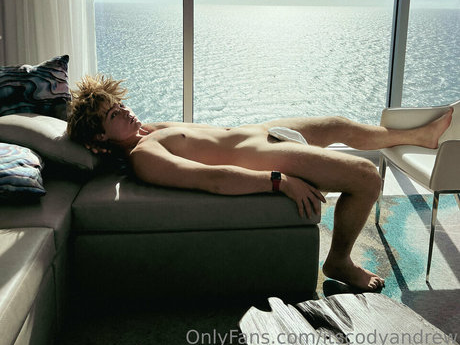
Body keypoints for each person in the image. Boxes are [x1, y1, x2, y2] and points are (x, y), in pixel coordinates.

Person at [67, 74, 453, 292]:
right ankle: (339, 261)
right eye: (113, 115)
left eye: (120, 104)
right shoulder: (144, 156)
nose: (124, 111)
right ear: (100, 138)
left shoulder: (149, 129)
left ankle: (419, 137)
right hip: (268, 157)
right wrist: (279, 181)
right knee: (367, 177)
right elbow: (211, 179)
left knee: (338, 124)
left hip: (265, 132)